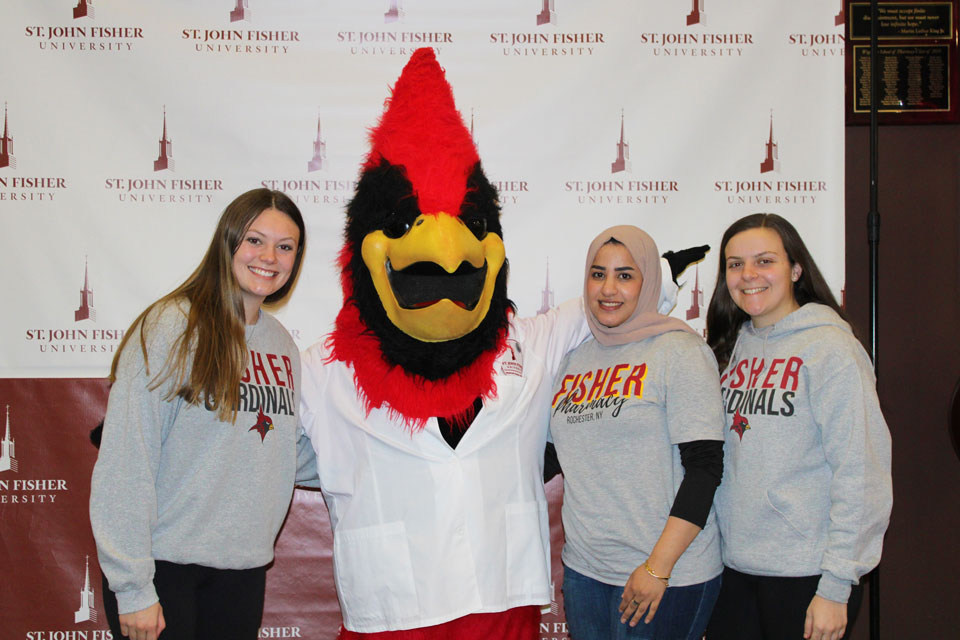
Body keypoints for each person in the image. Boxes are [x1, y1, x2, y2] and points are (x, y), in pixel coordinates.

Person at [89, 188, 311, 640]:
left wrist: (379, 459)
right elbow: (126, 459)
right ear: (227, 242)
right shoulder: (172, 326)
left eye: (285, 247)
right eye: (255, 240)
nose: (269, 256)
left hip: (242, 572)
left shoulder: (282, 345)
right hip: (164, 571)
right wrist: (133, 588)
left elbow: (287, 450)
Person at [704, 213, 892, 640]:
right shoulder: (729, 349)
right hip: (734, 571)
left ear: (795, 269)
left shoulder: (832, 349)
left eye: (764, 261)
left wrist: (836, 585)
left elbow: (862, 473)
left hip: (807, 576)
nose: (748, 275)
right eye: (735, 264)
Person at [548, 225, 724, 640]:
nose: (608, 288)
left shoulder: (679, 352)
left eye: (625, 275)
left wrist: (656, 568)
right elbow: (555, 456)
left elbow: (704, 470)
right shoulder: (575, 358)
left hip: (666, 574)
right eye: (598, 274)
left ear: (648, 282)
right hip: (585, 572)